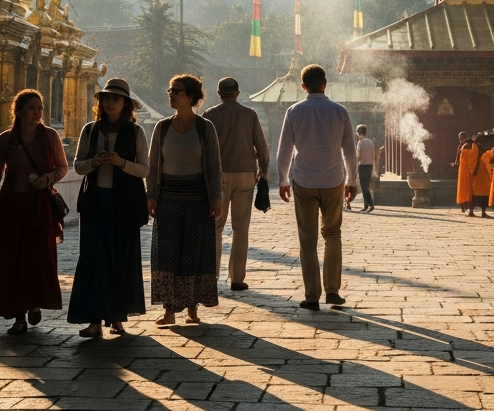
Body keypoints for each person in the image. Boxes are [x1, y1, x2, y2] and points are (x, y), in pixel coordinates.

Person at [0, 89, 67, 334]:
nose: (37, 113)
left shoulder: (49, 137)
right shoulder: (6, 139)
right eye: (31, 108)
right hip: (11, 205)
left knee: (38, 258)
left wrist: (47, 178)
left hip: (39, 206)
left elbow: (62, 167)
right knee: (12, 261)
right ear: (18, 111)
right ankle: (18, 315)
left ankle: (35, 302)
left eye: (40, 108)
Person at [68, 78, 149, 339]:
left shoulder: (135, 132)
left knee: (121, 258)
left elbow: (144, 169)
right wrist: (95, 161)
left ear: (125, 104)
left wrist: (121, 162)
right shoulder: (91, 130)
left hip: (124, 203)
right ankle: (93, 320)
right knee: (93, 260)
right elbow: (78, 166)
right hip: (95, 201)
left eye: (116, 98)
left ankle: (117, 316)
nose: (110, 102)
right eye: (106, 98)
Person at [276, 63, 357, 311]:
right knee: (332, 235)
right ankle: (332, 291)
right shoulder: (340, 111)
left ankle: (312, 296)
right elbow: (349, 151)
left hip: (304, 180)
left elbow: (285, 150)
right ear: (325, 83)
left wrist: (283, 179)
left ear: (303, 86)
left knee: (307, 240)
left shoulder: (294, 111)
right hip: (333, 179)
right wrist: (352, 180)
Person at [148, 74, 224, 325]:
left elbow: (214, 165)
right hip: (168, 196)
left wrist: (216, 197)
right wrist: (151, 195)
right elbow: (153, 165)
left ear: (190, 97)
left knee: (194, 251)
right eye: (170, 90)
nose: (171, 94)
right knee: (167, 253)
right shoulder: (162, 128)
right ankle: (169, 310)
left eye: (176, 91)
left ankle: (192, 307)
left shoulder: (205, 128)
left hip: (197, 198)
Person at [202, 77, 270, 291]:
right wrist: (264, 170)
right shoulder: (249, 115)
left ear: (219, 93)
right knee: (241, 229)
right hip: (244, 174)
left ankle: (211, 276)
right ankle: (237, 278)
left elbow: (202, 149)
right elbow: (261, 145)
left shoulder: (210, 115)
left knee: (215, 228)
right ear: (237, 93)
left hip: (218, 175)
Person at [453, 132, 488, 217]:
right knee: (479, 193)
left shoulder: (466, 146)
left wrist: (456, 164)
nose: (461, 141)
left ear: (465, 138)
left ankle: (472, 211)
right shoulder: (474, 146)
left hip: (470, 174)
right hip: (479, 173)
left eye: (462, 139)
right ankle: (482, 212)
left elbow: (460, 159)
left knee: (470, 193)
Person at [354, 125, 377, 212]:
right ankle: (366, 206)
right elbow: (373, 155)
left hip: (362, 166)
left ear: (358, 132)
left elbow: (358, 156)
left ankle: (370, 204)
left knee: (364, 187)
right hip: (370, 166)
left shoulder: (360, 143)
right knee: (366, 185)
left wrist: (355, 163)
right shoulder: (370, 142)